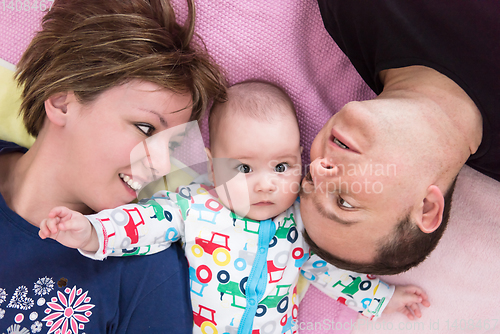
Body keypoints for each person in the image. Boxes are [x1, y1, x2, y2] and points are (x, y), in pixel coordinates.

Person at [39, 82, 430, 334]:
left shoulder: (302, 224)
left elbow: (332, 272)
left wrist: (382, 299)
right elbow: (143, 223)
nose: (264, 183)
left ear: (299, 161)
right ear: (211, 166)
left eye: (281, 167)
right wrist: (91, 231)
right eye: (243, 168)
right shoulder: (193, 205)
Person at [0, 0, 226, 333]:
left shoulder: (147, 268)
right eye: (146, 128)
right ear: (62, 101)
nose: (162, 164)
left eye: (173, 147)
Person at [298, 0, 500, 276]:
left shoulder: (350, 13)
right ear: (427, 208)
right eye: (344, 202)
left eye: (309, 181)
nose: (319, 170)